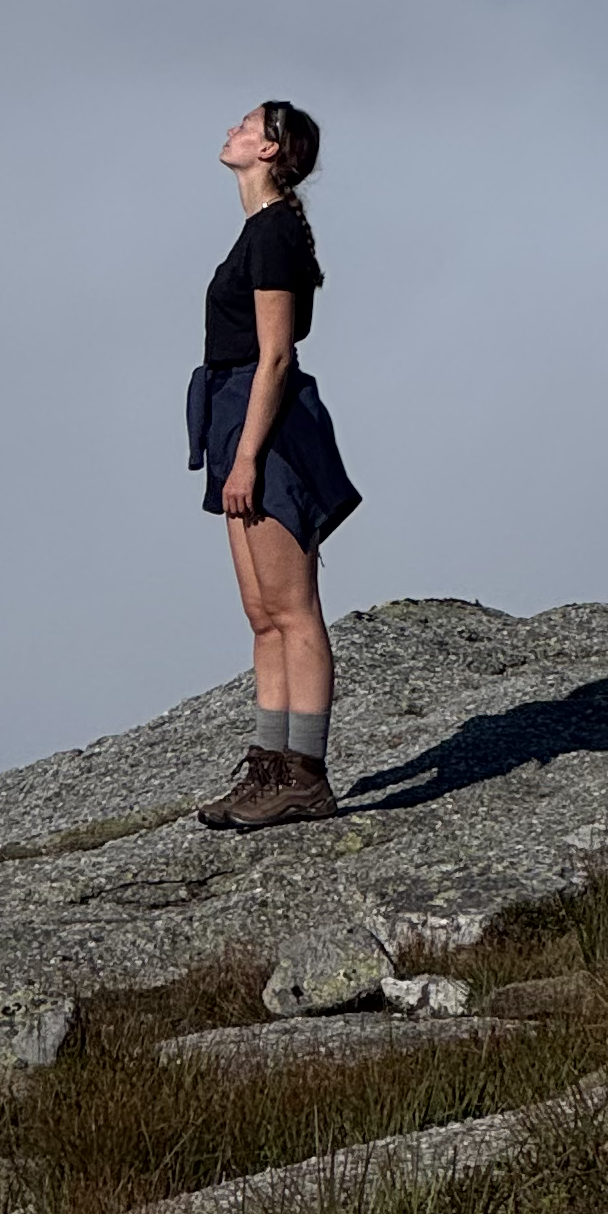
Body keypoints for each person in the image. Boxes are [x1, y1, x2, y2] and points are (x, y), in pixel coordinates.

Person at [189, 98, 362, 829]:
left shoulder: (274, 237)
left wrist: (249, 458)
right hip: (235, 415)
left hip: (268, 426)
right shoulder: (260, 231)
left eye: (247, 123)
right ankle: (270, 764)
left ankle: (305, 775)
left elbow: (276, 355)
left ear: (271, 151)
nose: (231, 127)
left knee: (293, 610)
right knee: (262, 614)